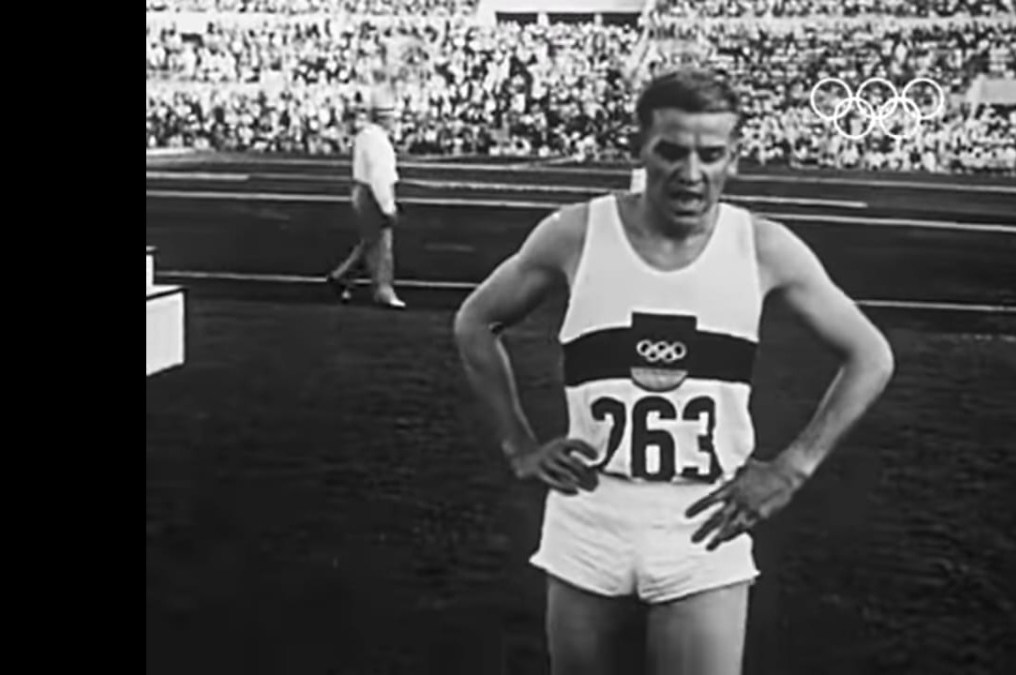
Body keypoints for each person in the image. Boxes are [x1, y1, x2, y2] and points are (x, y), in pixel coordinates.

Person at [453, 68, 895, 675]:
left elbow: (871, 354)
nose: (691, 173)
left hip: (704, 520)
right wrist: (519, 445)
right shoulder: (576, 233)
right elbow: (474, 322)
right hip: (590, 513)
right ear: (640, 149)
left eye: (711, 155)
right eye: (672, 151)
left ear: (734, 159)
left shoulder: (762, 247)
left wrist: (793, 468)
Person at [326, 86, 407, 309]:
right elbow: (379, 177)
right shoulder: (378, 141)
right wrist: (388, 206)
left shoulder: (367, 136)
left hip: (363, 191)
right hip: (371, 194)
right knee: (381, 245)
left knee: (370, 242)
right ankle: (383, 289)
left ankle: (341, 277)